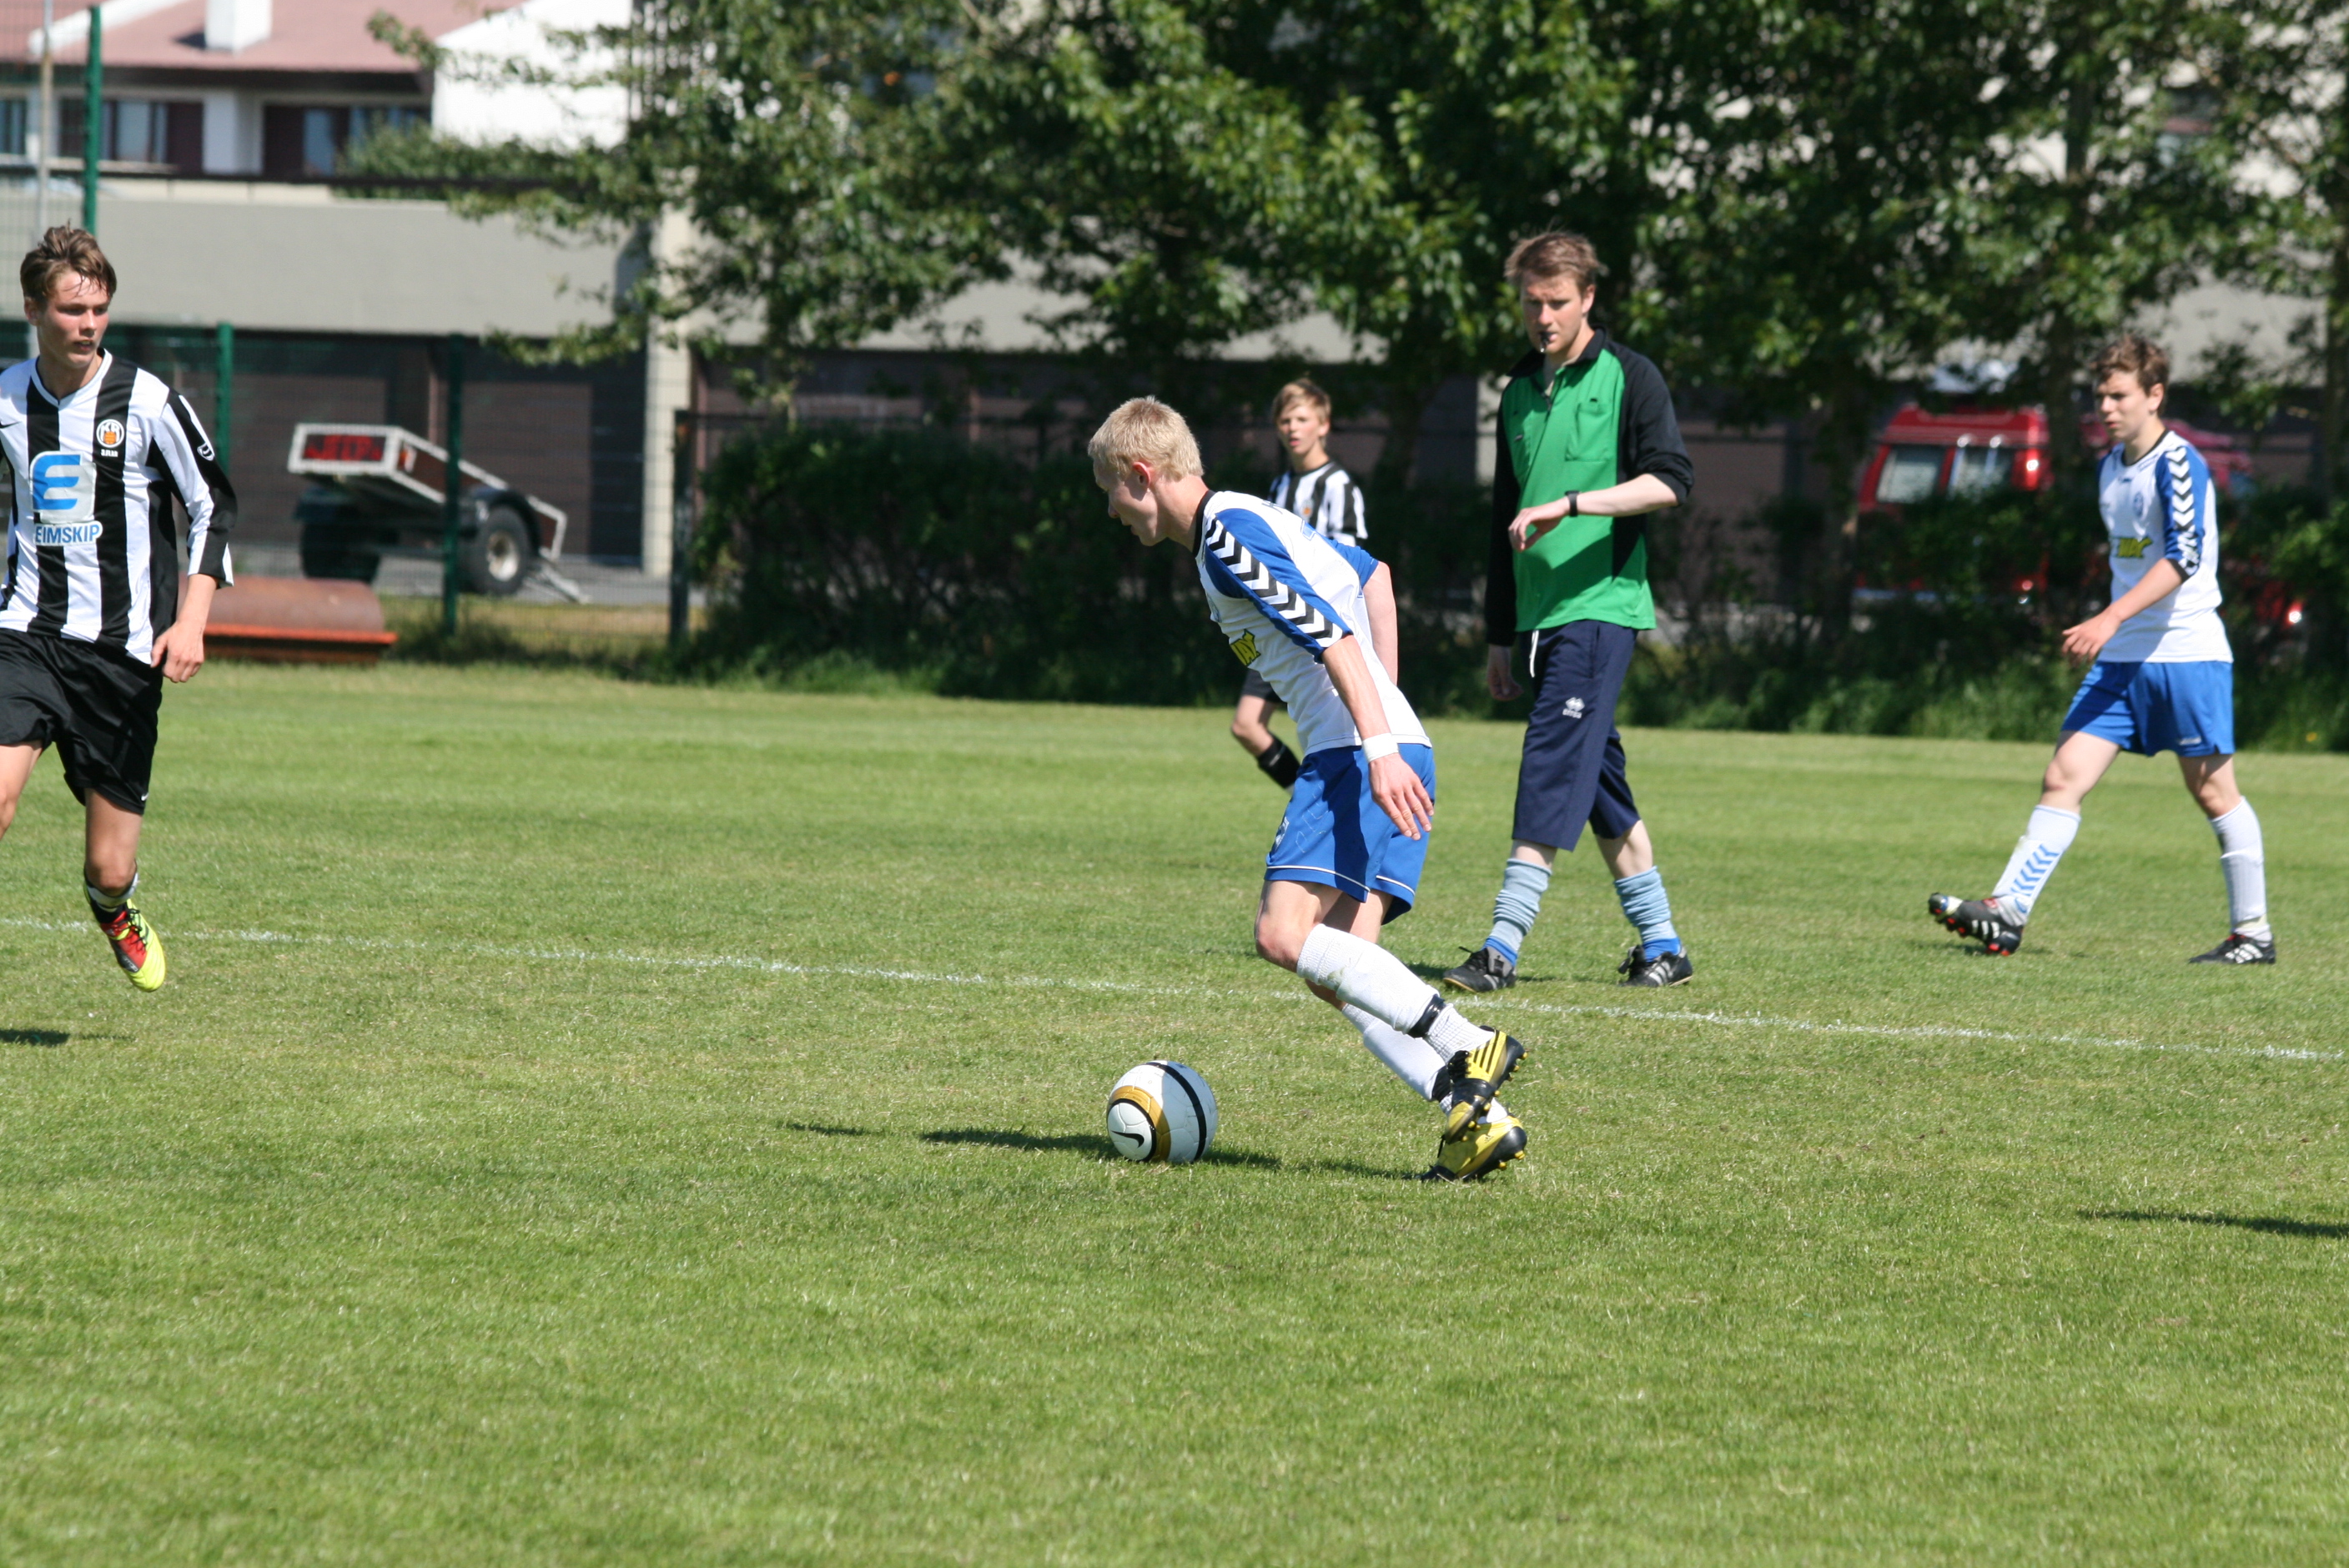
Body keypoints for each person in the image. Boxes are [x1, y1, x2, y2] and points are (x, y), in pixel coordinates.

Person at [1089, 396, 1532, 1181]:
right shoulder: (1242, 519)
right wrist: (1389, 713)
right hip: (1385, 744)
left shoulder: (1226, 535)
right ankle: (1480, 1122)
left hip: (1357, 754)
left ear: (1141, 473)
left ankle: (1467, 1043)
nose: (1111, 513)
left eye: (1110, 493)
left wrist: (1377, 744)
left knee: (1281, 935)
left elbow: (1329, 631)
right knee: (1346, 976)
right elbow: (1374, 577)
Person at [1929, 334, 2271, 962]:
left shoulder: (2178, 463)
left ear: (2155, 395)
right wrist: (2115, 625)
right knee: (2063, 776)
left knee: (2215, 793)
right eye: (2100, 397)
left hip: (2185, 653)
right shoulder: (2110, 468)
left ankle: (2253, 934)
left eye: (2119, 396)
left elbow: (2184, 559)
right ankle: (2008, 912)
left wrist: (2109, 617)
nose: (2107, 408)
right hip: (2122, 660)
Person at [1441, 232, 1697, 996]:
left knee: (1552, 761)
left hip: (1600, 608)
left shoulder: (1632, 377)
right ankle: (1663, 945)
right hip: (1538, 619)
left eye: (1556, 302)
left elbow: (1672, 481)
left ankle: (1501, 947)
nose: (1542, 317)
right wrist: (1499, 633)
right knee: (1596, 778)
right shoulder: (1518, 390)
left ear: (1588, 298)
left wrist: (1573, 505)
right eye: (1531, 303)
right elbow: (1503, 520)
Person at [0, 226, 234, 990]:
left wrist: (191, 620)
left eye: (99, 309)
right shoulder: (5, 397)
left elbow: (213, 506)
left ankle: (114, 908)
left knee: (108, 865)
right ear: (34, 310)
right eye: (72, 310)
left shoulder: (148, 401)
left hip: (122, 656)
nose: (89, 324)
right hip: (24, 634)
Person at [1230, 379, 1368, 790]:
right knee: (1246, 725)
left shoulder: (1339, 486)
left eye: (1302, 419)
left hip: (1323, 628)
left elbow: (1351, 564)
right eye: (1285, 421)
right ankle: (1303, 800)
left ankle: (1342, 805)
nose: (1292, 428)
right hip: (1279, 624)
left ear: (1323, 425)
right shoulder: (1280, 486)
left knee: (1331, 735)